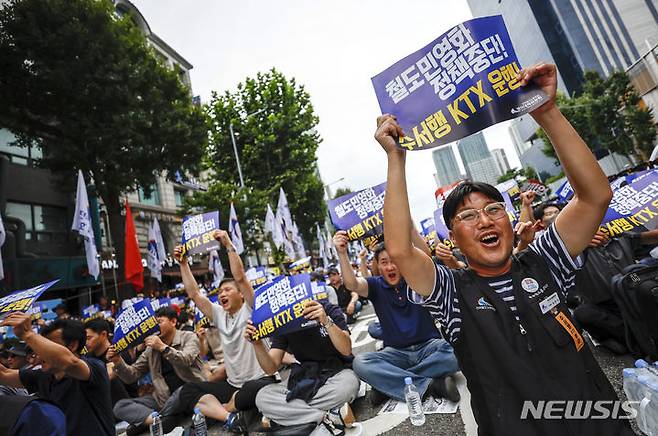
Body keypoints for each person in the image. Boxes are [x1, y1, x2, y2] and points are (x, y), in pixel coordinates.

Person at [375, 63, 634, 435]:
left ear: (509, 222)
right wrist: (396, 160)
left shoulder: (545, 261)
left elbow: (595, 197)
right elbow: (400, 249)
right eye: (468, 216)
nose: (484, 221)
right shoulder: (450, 293)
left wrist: (547, 112)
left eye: (494, 209)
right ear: (452, 237)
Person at [334, 232, 460, 405]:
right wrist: (342, 253)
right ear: (378, 266)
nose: (390, 267)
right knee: (361, 363)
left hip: (429, 346)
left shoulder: (416, 278)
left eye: (394, 261)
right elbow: (352, 284)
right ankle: (431, 385)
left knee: (457, 353)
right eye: (384, 262)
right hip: (395, 353)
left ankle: (389, 382)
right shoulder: (375, 285)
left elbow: (426, 256)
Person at [175, 230, 278, 433]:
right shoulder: (218, 314)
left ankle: (220, 410)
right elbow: (194, 294)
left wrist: (228, 245)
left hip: (260, 381)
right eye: (220, 291)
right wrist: (183, 263)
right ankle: (229, 416)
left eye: (227, 290)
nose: (222, 294)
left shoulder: (251, 308)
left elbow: (240, 277)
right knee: (188, 390)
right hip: (233, 385)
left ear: (241, 294)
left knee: (252, 390)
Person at [249, 299, 359, 435]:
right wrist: (257, 344)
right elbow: (270, 368)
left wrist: (325, 321)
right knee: (262, 397)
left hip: (337, 373)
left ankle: (286, 417)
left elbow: (346, 349)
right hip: (304, 378)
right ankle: (327, 418)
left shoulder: (327, 308)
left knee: (348, 386)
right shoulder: (284, 320)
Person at [0, 314, 114, 436]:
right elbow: (3, 374)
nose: (39, 352)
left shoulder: (94, 368)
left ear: (72, 345)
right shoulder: (43, 376)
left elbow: (70, 362)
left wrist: (28, 334)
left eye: (47, 344)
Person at [108, 306, 205, 436]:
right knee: (120, 406)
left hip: (190, 392)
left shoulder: (188, 337)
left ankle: (158, 421)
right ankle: (158, 420)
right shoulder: (151, 349)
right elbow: (132, 375)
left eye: (159, 322)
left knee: (182, 393)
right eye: (153, 324)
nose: (155, 327)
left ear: (173, 322)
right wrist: (117, 361)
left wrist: (162, 347)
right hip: (163, 400)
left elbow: (186, 359)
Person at [84, 318, 131, 407]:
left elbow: (109, 376)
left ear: (103, 334)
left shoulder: (119, 354)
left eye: (89, 338)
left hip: (124, 407)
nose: (86, 343)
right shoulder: (87, 358)